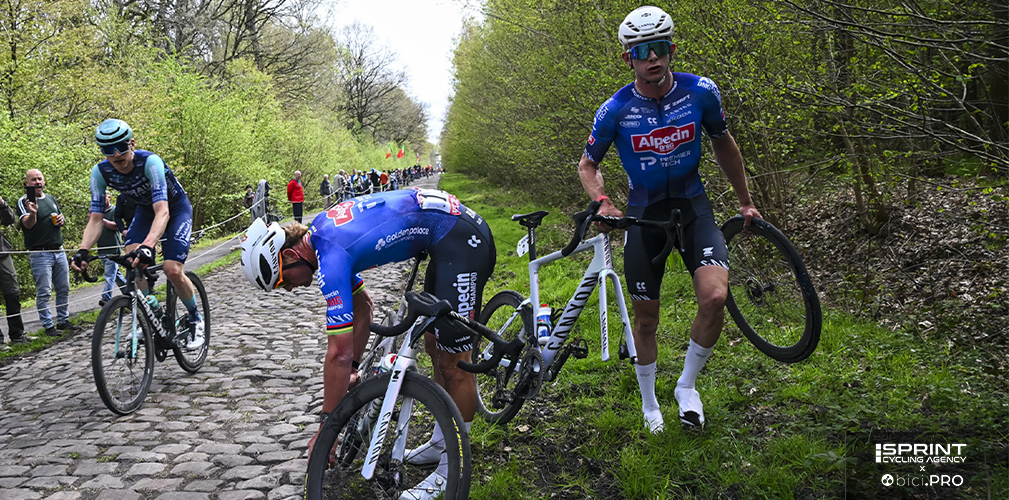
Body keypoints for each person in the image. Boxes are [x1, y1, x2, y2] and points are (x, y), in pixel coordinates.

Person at [240, 188, 495, 499]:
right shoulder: (322, 236)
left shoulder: (331, 255)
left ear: (291, 255)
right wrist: (355, 370)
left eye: (283, 280)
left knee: (454, 363)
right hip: (443, 237)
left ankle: (452, 468)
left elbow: (338, 353)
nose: (290, 289)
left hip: (459, 240)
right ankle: (442, 444)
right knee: (433, 344)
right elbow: (364, 307)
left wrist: (327, 431)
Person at [578, 6, 761, 432]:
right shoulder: (616, 109)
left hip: (695, 208)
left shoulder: (701, 92)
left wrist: (745, 200)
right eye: (642, 52)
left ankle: (686, 386)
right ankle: (648, 404)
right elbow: (588, 164)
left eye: (659, 48)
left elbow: (725, 145)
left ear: (672, 49)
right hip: (645, 219)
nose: (652, 58)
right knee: (646, 320)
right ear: (629, 58)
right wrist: (604, 202)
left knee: (715, 298)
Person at [71, 119, 205, 350]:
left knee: (172, 269)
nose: (116, 156)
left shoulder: (150, 162)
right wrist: (83, 251)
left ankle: (195, 319)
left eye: (121, 148)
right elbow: (95, 219)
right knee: (132, 262)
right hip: (145, 212)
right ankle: (153, 315)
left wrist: (149, 244)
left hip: (175, 209)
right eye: (107, 151)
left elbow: (163, 211)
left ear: (131, 144)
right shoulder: (100, 172)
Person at [15, 169, 79, 337]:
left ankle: (63, 321)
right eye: (33, 180)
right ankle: (49, 325)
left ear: (43, 181)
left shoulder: (50, 198)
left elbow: (59, 217)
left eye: (39, 179)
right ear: (27, 183)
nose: (37, 182)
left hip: (58, 250)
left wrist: (62, 220)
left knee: (64, 287)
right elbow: (28, 225)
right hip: (40, 253)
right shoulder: (24, 201)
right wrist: (33, 213)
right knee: (44, 291)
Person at [0, 194, 25, 344]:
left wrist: (2, 203)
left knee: (13, 294)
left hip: (2, 254)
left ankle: (17, 335)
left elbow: (9, 220)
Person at [97, 191, 125, 306]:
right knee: (115, 274)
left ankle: (106, 298)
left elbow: (117, 227)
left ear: (109, 197)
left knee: (109, 274)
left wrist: (102, 220)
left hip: (113, 249)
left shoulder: (114, 210)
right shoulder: (97, 212)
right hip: (101, 249)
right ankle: (131, 293)